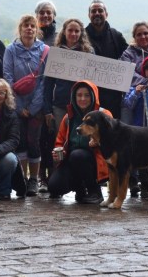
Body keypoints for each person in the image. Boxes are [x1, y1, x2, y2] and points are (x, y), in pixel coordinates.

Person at [42, 18, 94, 193]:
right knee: (60, 142)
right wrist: (47, 109)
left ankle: (85, 182)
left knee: (83, 141)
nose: (73, 34)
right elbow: (48, 84)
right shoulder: (55, 52)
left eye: (77, 31)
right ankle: (60, 178)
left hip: (83, 107)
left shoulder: (89, 52)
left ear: (81, 33)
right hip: (60, 106)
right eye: (70, 30)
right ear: (64, 32)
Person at [3, 15, 48, 197]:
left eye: (32, 26)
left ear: (37, 30)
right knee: (20, 142)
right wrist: (18, 106)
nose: (29, 29)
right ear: (20, 29)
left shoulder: (45, 50)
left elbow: (44, 81)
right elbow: (8, 77)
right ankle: (23, 178)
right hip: (16, 105)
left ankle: (33, 180)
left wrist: (34, 107)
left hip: (37, 106)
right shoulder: (10, 50)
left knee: (34, 142)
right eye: (26, 26)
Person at [48, 80, 109, 204]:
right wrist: (60, 153)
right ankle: (80, 189)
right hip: (72, 160)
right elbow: (60, 142)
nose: (82, 99)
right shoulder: (68, 117)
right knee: (54, 187)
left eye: (87, 95)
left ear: (93, 97)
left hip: (96, 161)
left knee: (78, 155)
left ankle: (95, 191)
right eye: (79, 95)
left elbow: (112, 140)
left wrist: (98, 142)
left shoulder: (103, 114)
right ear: (73, 97)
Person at [122, 56, 148, 200]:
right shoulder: (137, 86)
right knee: (142, 158)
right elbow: (127, 104)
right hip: (140, 129)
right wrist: (136, 92)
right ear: (143, 71)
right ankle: (145, 187)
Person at [85, 0, 128, 119]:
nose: (97, 13)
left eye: (100, 10)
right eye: (93, 11)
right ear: (89, 15)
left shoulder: (116, 36)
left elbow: (129, 57)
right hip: (89, 94)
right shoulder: (82, 36)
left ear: (106, 14)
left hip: (113, 96)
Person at [34, 0, 57, 194]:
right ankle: (40, 177)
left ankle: (54, 176)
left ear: (54, 16)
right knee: (39, 138)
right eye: (42, 12)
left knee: (53, 136)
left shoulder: (60, 37)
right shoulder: (31, 34)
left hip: (55, 94)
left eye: (49, 12)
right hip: (34, 93)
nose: (45, 15)